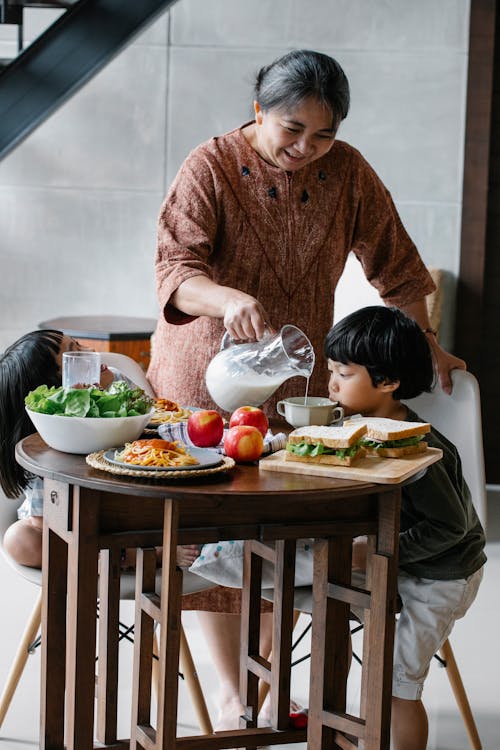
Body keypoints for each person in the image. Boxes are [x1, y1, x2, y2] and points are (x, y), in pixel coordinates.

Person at [146, 48, 466, 727]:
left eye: (324, 135)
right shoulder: (209, 166)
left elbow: (400, 268)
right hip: (206, 377)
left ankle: (268, 694)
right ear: (260, 110)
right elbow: (177, 270)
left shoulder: (345, 173)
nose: (306, 148)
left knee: (281, 531)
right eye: (292, 129)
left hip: (296, 384)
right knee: (216, 540)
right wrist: (225, 297)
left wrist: (423, 341)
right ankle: (237, 700)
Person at [323, 306, 486, 750]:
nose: (332, 382)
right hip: (405, 561)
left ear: (388, 383)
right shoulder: (360, 425)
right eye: (331, 370)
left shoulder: (414, 447)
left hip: (443, 574)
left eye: (344, 372)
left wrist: (377, 551)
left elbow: (449, 528)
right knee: (326, 601)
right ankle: (343, 729)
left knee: (397, 682)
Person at [0, 329, 199, 570]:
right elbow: (46, 523)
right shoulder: (43, 440)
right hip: (69, 525)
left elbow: (152, 417)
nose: (91, 353)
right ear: (54, 393)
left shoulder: (116, 383)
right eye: (75, 356)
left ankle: (123, 554)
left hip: (127, 505)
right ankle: (134, 557)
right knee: (19, 539)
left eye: (79, 345)